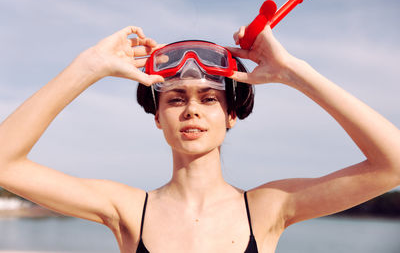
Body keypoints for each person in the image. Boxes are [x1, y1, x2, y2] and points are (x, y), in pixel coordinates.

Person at [0, 24, 399, 253]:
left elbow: (392, 165)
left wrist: (295, 72)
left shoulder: (267, 208)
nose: (191, 110)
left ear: (231, 116)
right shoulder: (126, 209)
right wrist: (87, 67)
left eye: (209, 99)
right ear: (157, 117)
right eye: (175, 99)